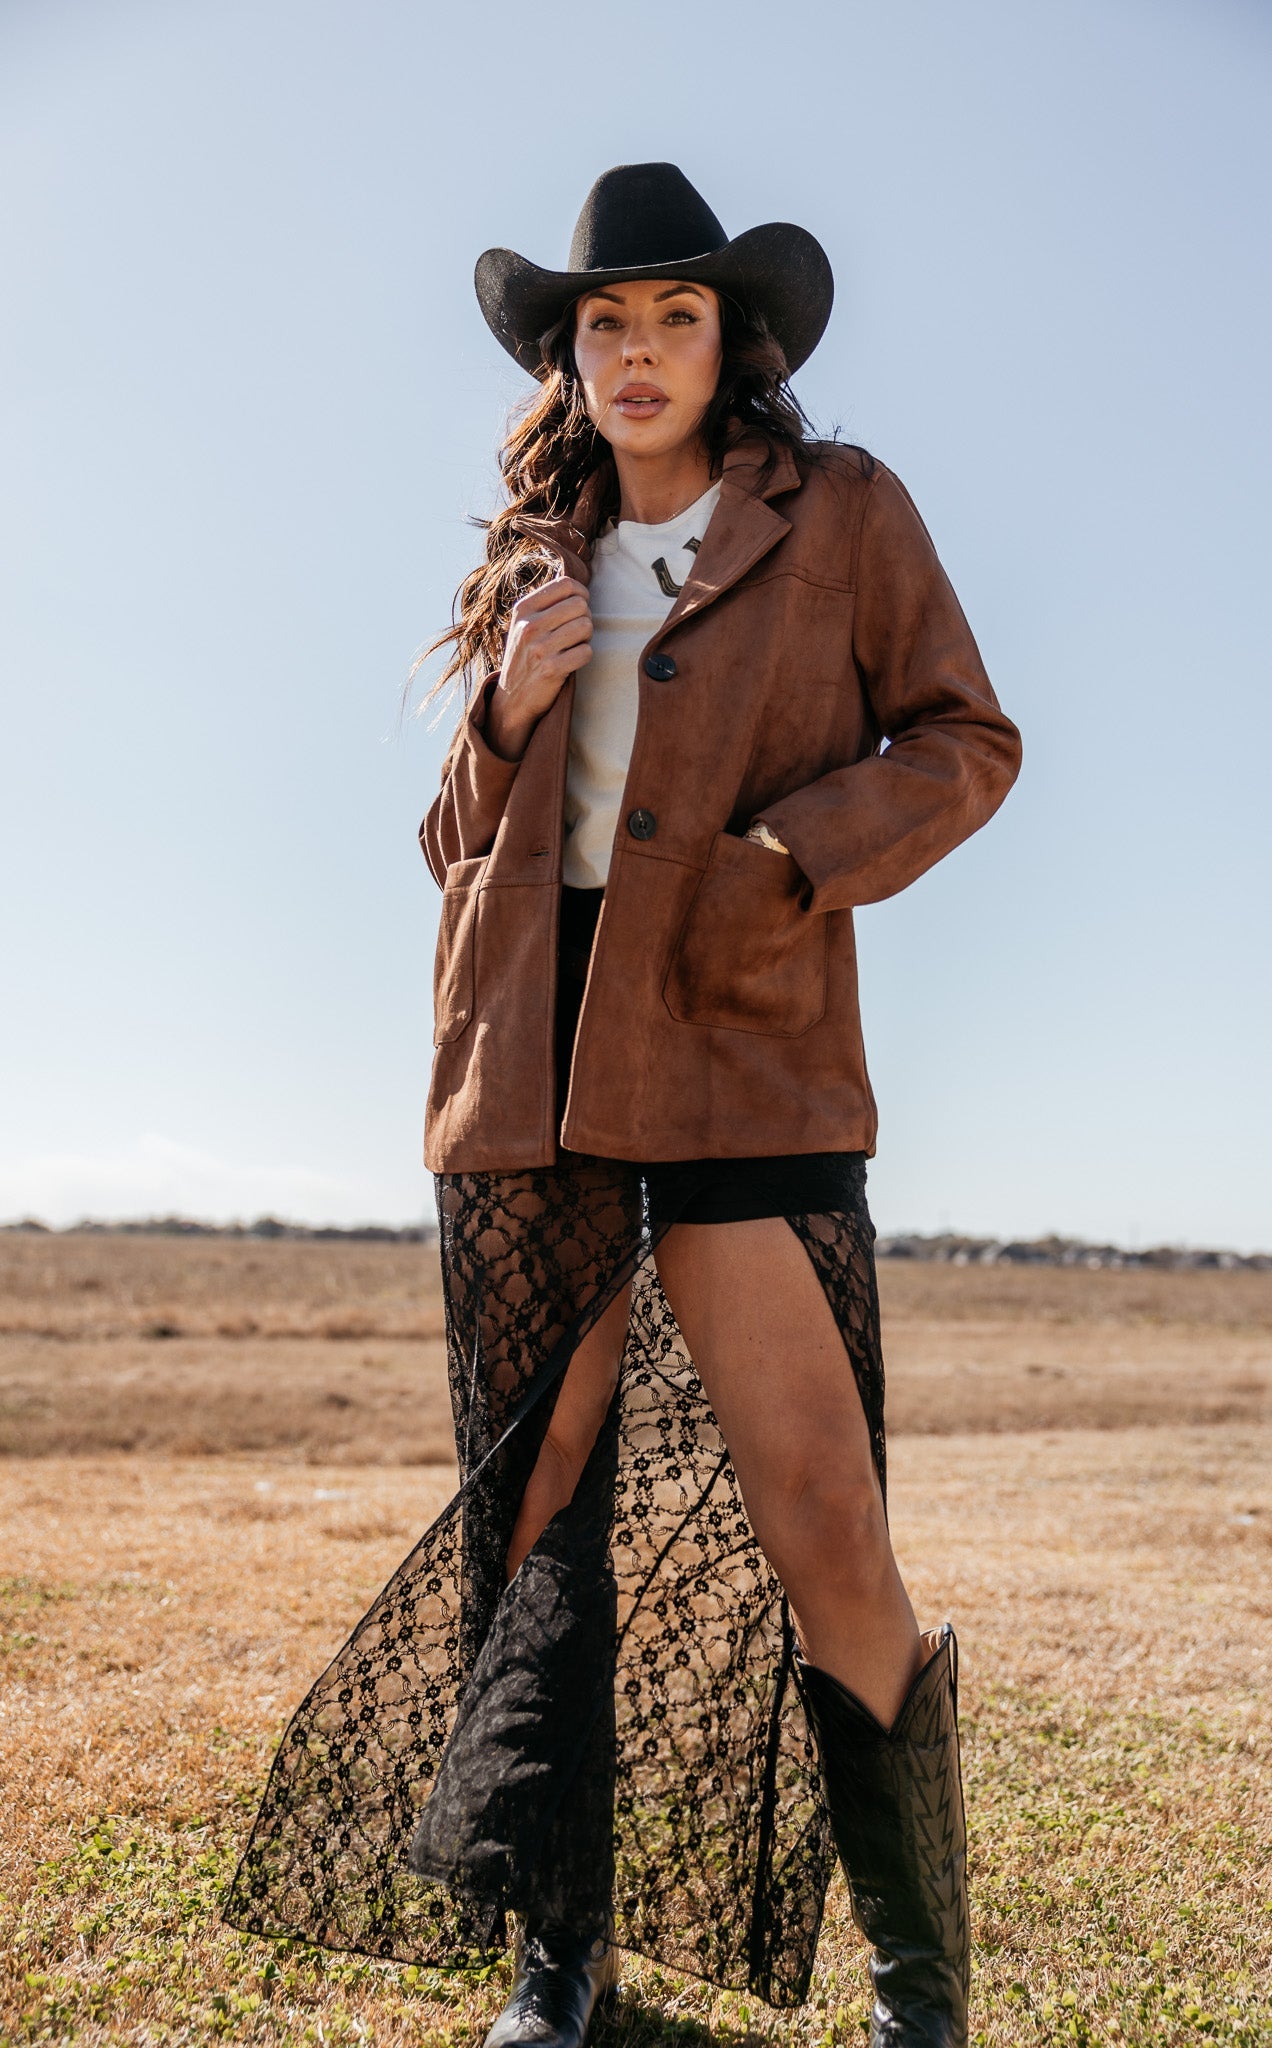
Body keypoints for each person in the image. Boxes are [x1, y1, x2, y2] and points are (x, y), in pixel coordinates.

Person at [224, 163, 1021, 2048]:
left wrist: (786, 859)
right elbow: (447, 840)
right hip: (523, 1069)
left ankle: (924, 1993)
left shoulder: (841, 515)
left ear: (731, 345)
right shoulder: (525, 558)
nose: (639, 351)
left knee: (823, 1504)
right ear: (566, 358)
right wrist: (501, 708)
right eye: (606, 323)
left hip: (741, 1036)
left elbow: (964, 738)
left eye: (674, 317)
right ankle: (551, 1961)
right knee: (540, 1515)